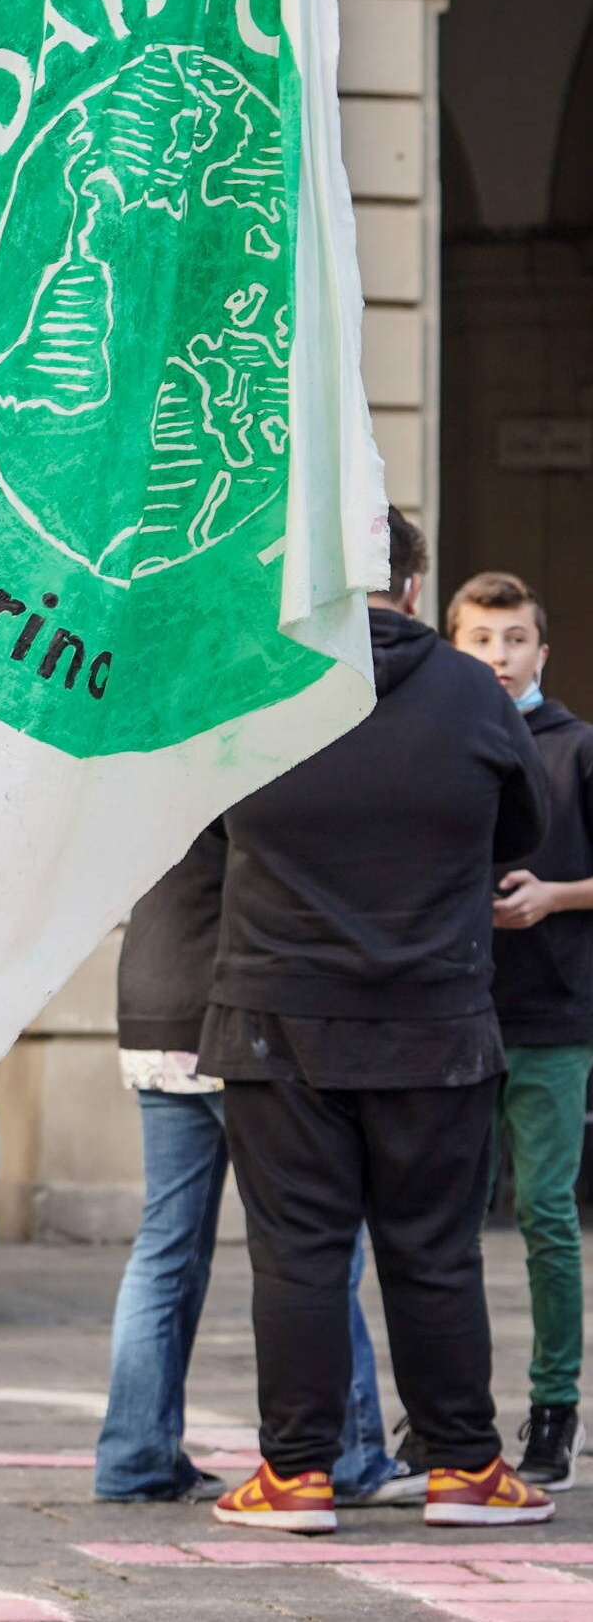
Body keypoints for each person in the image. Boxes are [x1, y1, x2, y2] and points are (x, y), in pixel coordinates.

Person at [206, 511, 553, 1533]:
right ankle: (465, 1471)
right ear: (411, 587)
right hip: (435, 1019)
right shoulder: (468, 689)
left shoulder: (253, 677)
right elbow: (524, 820)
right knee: (435, 1251)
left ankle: (295, 1477)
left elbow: (207, 818)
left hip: (279, 1016)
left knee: (301, 1253)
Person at [94, 835, 398, 1505]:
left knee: (165, 1246)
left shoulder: (152, 752)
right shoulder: (251, 750)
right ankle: (348, 1459)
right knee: (314, 1242)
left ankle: (133, 1460)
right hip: (239, 1017)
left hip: (153, 1008)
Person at [449, 570, 593, 1488]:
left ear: (543, 650)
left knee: (544, 1215)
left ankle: (554, 1408)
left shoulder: (579, 749)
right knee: (446, 1224)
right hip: (454, 1017)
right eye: (481, 641)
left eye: (514, 641)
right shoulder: (443, 739)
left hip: (552, 1018)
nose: (499, 657)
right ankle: (449, 1412)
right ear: (453, 645)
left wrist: (556, 896)